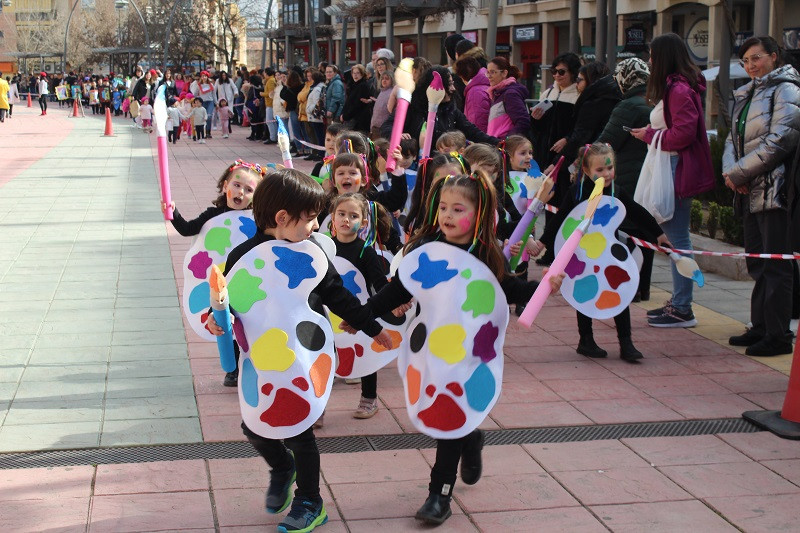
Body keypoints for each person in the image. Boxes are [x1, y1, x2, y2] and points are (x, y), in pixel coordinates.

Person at [352, 170, 564, 525]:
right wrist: (362, 315)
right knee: (441, 412)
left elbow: (509, 291)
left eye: (458, 209)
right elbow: (398, 292)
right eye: (444, 208)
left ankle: (439, 495)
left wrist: (544, 287)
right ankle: (472, 437)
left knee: (449, 416)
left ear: (478, 214)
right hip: (432, 351)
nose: (448, 216)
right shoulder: (425, 250)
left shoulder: (485, 254)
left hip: (469, 354)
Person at [207, 169, 391, 533]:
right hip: (261, 359)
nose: (316, 226)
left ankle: (310, 501)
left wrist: (373, 328)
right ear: (282, 219)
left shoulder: (312, 255)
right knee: (255, 426)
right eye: (310, 219)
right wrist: (214, 317)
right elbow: (226, 302)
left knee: (299, 430)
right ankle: (281, 467)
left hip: (302, 359)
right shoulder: (243, 255)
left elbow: (340, 297)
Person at [527, 143, 671, 362]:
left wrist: (658, 234)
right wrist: (544, 242)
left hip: (607, 254)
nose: (607, 174)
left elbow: (636, 212)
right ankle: (586, 340)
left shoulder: (616, 192)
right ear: (586, 170)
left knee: (619, 292)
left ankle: (626, 343)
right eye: (600, 170)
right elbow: (561, 217)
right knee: (585, 293)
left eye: (609, 168)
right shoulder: (578, 192)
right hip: (581, 254)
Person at [630, 32, 715, 328]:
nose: (650, 61)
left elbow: (683, 134)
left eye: (653, 56)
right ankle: (680, 304)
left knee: (676, 239)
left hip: (675, 168)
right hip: (670, 165)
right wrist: (650, 133)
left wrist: (651, 135)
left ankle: (682, 307)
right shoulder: (676, 87)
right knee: (675, 237)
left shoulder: (677, 89)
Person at [723, 36, 800, 357]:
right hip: (750, 189)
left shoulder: (787, 90)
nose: (751, 65)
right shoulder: (748, 92)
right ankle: (760, 326)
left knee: (776, 265)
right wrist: (730, 173)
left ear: (773, 56)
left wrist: (739, 173)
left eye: (756, 58)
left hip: (775, 191)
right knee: (757, 262)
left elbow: (782, 138)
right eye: (745, 61)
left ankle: (778, 334)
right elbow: (732, 138)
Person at [598, 58, 655, 302]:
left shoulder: (627, 107)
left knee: (627, 234)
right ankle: (642, 288)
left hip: (628, 178)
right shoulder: (654, 103)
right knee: (646, 235)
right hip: (649, 174)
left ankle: (628, 286)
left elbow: (606, 142)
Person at [329, 192, 391, 418]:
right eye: (341, 214)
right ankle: (319, 405)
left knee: (366, 355)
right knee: (327, 356)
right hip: (329, 314)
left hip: (360, 312)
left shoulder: (366, 251)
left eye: (353, 215)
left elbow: (379, 283)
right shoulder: (325, 249)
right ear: (332, 218)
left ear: (363, 222)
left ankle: (369, 398)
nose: (346, 219)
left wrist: (396, 301)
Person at [530, 52, 581, 262]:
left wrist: (568, 141)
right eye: (554, 72)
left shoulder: (577, 96)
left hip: (564, 157)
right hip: (545, 152)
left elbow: (579, 128)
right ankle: (549, 249)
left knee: (560, 203)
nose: (557, 76)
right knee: (547, 203)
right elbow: (539, 128)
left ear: (573, 73)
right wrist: (535, 118)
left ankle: (557, 251)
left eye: (562, 72)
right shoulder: (548, 92)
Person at [382, 67, 499, 149]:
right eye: (449, 84)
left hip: (443, 164)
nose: (453, 88)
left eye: (452, 83)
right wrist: (397, 135)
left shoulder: (450, 109)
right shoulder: (413, 106)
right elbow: (387, 127)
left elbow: (471, 131)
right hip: (414, 165)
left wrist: (498, 143)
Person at [486, 56, 531, 138]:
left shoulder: (510, 94)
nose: (489, 76)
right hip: (497, 145)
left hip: (505, 148)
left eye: (492, 72)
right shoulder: (497, 93)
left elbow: (523, 122)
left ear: (504, 73)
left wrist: (506, 141)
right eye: (488, 72)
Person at [454, 46, 491, 132]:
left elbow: (476, 123)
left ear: (462, 76)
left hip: (480, 142)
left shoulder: (475, 92)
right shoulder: (484, 84)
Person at [341, 64, 372, 134]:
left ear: (362, 74)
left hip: (358, 120)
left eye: (358, 73)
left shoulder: (363, 86)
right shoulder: (353, 86)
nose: (355, 75)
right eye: (354, 73)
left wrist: (345, 116)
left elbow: (357, 104)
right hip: (351, 118)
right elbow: (348, 102)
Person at [305, 69, 327, 161]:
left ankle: (321, 153)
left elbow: (317, 102)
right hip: (313, 116)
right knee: (317, 135)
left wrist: (309, 109)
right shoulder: (316, 87)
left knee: (320, 136)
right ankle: (319, 153)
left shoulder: (318, 89)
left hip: (316, 116)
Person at [190, 70, 216, 139]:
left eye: (205, 76)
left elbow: (214, 95)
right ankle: (202, 132)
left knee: (209, 116)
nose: (204, 77)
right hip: (202, 103)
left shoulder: (211, 85)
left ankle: (208, 132)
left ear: (207, 77)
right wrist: (195, 102)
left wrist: (217, 103)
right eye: (202, 76)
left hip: (210, 102)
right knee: (202, 117)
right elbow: (194, 94)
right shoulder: (199, 86)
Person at [370, 71, 394, 140]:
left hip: (383, 129)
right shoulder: (381, 92)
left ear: (392, 80)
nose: (384, 80)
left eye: (387, 78)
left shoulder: (392, 93)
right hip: (375, 128)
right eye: (382, 78)